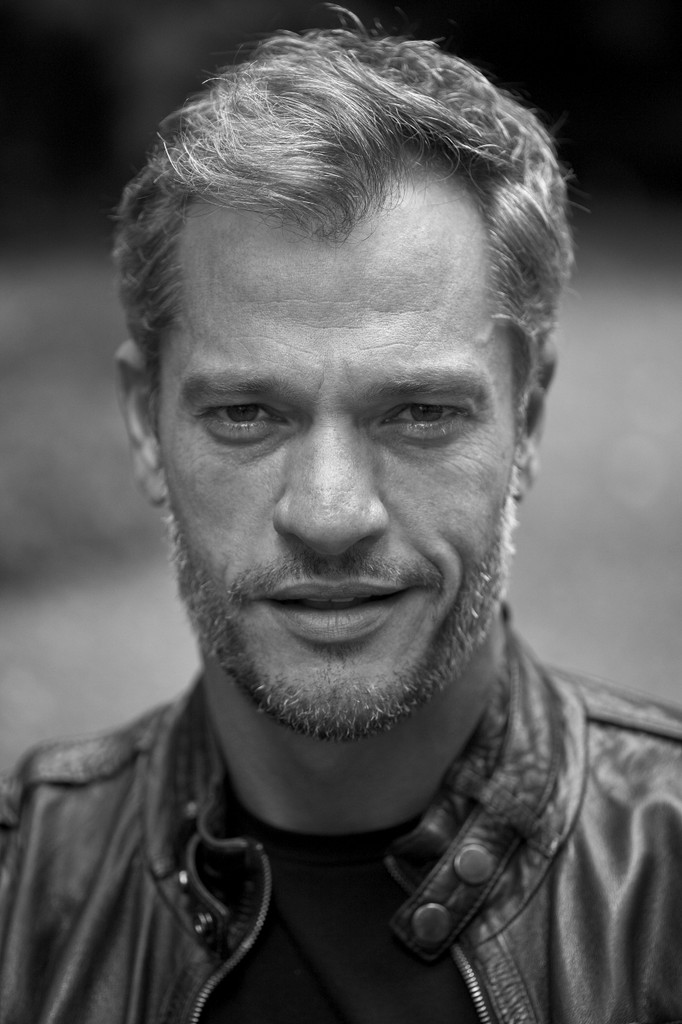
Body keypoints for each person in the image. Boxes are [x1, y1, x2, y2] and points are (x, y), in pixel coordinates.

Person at [1, 20, 682, 1024]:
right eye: (247, 414)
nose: (329, 514)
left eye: (419, 413)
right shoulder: (19, 891)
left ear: (528, 420)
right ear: (146, 425)